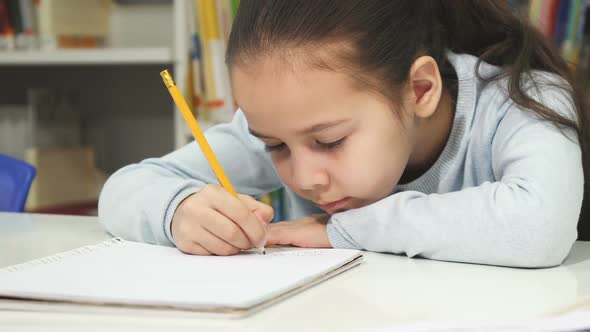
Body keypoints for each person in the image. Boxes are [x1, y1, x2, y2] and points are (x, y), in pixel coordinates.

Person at [98, 0, 589, 268]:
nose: (305, 178)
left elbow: (539, 228)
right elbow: (123, 189)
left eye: (329, 141)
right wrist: (179, 212)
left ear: (420, 89)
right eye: (274, 146)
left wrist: (341, 231)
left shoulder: (524, 99)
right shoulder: (292, 120)